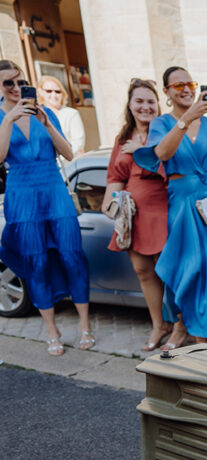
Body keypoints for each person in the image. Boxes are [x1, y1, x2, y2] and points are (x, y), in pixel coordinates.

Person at [134, 66, 207, 345]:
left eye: (190, 83)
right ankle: (203, 347)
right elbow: (162, 153)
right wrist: (187, 118)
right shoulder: (161, 124)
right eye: (178, 85)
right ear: (167, 92)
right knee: (193, 276)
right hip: (184, 210)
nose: (186, 89)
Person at [0, 59, 92, 356]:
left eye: (20, 81)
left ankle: (85, 326)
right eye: (8, 83)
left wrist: (47, 123)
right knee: (36, 262)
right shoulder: (1, 117)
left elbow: (68, 153)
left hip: (54, 191)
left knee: (72, 255)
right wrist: (8, 120)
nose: (16, 87)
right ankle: (52, 331)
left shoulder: (47, 112)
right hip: (22, 196)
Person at [102, 78, 171, 352]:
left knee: (169, 270)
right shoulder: (122, 139)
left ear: (158, 105)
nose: (145, 107)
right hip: (133, 214)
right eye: (139, 101)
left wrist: (142, 151)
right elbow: (115, 176)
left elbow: (172, 167)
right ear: (129, 105)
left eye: (150, 101)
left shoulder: (166, 131)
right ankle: (159, 325)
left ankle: (182, 325)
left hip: (164, 209)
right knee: (143, 271)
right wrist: (110, 204)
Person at [38, 76, 85, 158]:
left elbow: (78, 143)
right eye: (49, 91)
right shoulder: (36, 115)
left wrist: (62, 157)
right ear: (40, 91)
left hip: (69, 162)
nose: (54, 95)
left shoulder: (71, 113)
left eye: (58, 91)